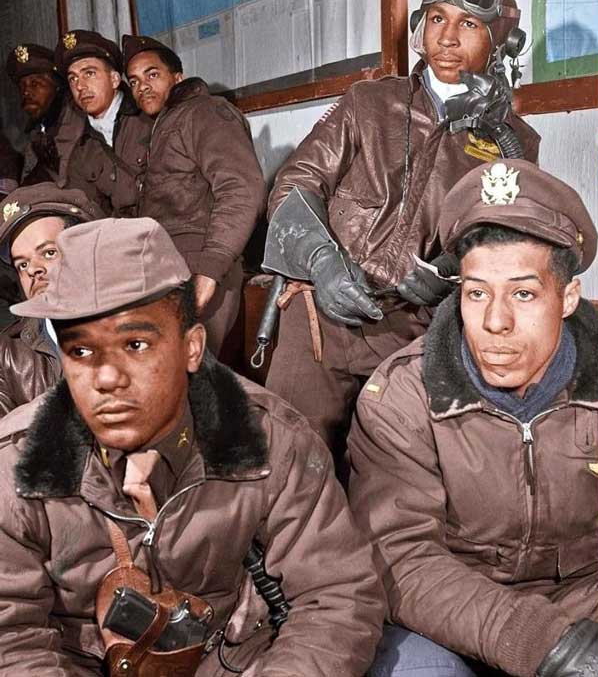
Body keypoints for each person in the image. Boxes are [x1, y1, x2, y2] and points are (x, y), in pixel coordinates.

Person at [0, 217, 385, 675]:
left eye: (136, 344)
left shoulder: (269, 438)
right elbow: (13, 638)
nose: (105, 378)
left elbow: (337, 595)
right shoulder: (16, 463)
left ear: (192, 347)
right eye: (80, 351)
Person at [262, 0, 540, 448]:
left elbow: (504, 238)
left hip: (415, 335)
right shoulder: (368, 103)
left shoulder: (515, 144)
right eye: (436, 18)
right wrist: (322, 262)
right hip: (318, 323)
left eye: (469, 24)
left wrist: (450, 273)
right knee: (290, 459)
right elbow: (296, 183)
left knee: (391, 477)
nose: (447, 37)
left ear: (502, 42)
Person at [349, 160, 598, 677]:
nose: (495, 323)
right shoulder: (401, 395)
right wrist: (538, 642)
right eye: (477, 292)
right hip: (447, 618)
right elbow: (399, 556)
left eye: (523, 294)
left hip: (586, 614)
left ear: (568, 297)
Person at [123, 35, 266, 354]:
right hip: (163, 267)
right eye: (133, 81)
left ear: (178, 77)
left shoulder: (205, 111)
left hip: (198, 262)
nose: (142, 86)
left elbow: (242, 188)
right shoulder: (159, 127)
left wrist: (209, 270)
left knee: (183, 373)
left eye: (152, 74)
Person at [0, 183, 106, 415]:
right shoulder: (8, 355)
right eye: (22, 264)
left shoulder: (143, 318)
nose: (33, 270)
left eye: (49, 253)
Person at [53, 30, 151, 217]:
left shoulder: (149, 119)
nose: (80, 86)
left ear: (114, 79)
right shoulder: (82, 153)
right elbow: (87, 215)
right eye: (72, 78)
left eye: (89, 73)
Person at [5, 43, 67, 186]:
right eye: (22, 86)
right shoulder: (36, 135)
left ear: (57, 86)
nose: (25, 92)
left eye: (35, 84)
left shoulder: (76, 126)